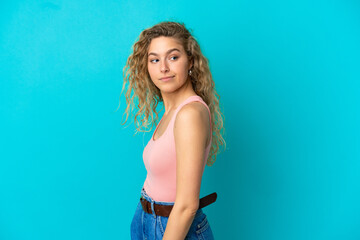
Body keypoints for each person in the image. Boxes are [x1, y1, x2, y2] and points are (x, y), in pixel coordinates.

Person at [120, 21, 226, 240]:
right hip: (146, 218)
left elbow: (187, 205)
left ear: (190, 61)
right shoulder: (172, 111)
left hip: (174, 227)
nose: (163, 68)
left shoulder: (189, 114)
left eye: (173, 57)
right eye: (155, 59)